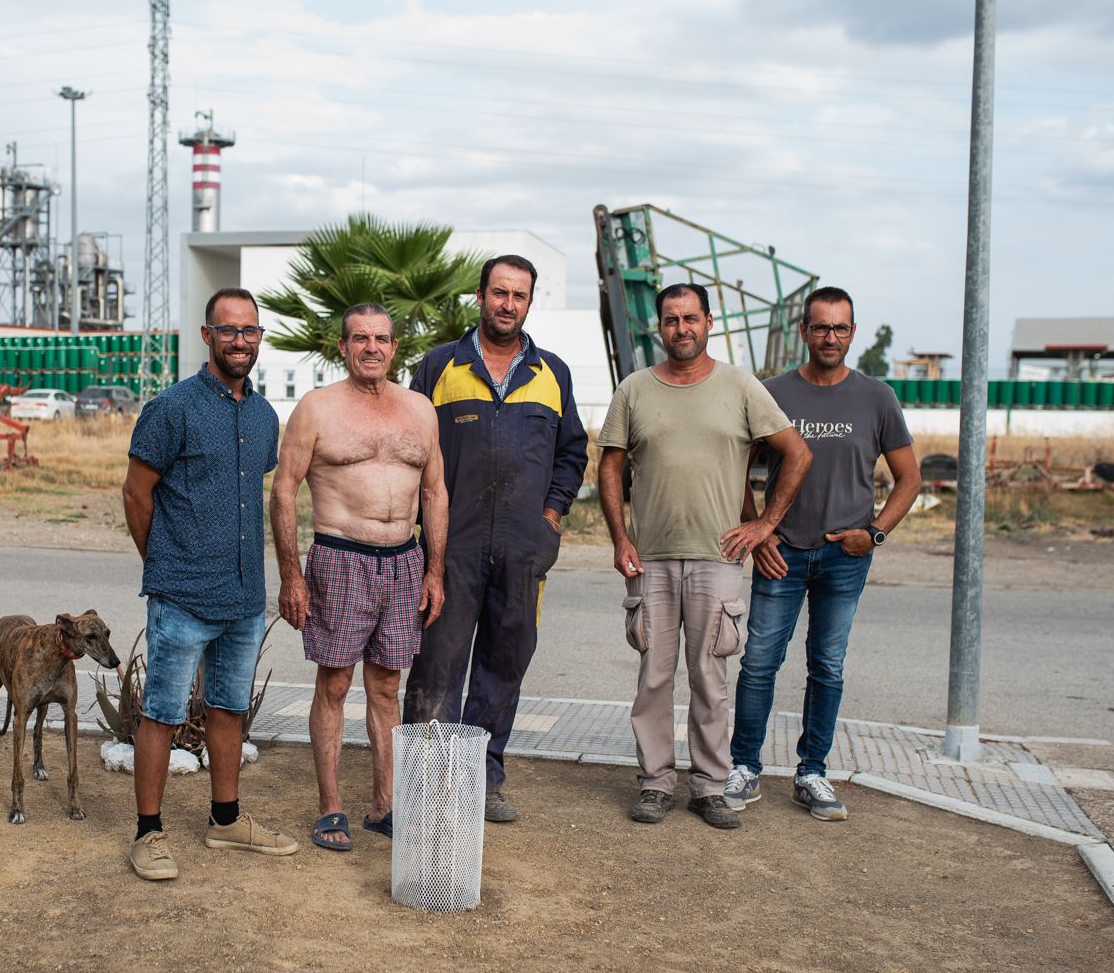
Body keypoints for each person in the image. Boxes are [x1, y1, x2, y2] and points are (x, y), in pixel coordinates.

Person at [598, 282, 812, 830]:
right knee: (653, 675)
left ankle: (711, 787)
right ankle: (654, 783)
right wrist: (620, 538)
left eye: (690, 318)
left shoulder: (742, 387)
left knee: (710, 676)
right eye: (671, 320)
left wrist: (764, 525)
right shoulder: (635, 390)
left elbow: (797, 453)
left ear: (709, 322)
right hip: (650, 558)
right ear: (659, 328)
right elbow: (610, 466)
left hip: (718, 557)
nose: (681, 329)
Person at [402, 254, 589, 823]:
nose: (509, 304)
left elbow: (572, 453)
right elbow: (412, 453)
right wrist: (422, 536)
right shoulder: (438, 368)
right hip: (450, 548)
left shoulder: (551, 374)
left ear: (529, 303)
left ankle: (483, 777)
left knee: (506, 661)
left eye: (520, 296)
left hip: (522, 548)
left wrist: (551, 517)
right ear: (480, 296)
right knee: (439, 661)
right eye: (499, 293)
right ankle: (429, 782)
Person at [725, 286, 921, 821]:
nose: (830, 337)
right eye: (820, 327)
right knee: (760, 661)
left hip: (846, 556)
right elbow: (739, 465)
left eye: (840, 328)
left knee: (827, 666)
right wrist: (759, 531)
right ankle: (744, 767)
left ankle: (812, 772)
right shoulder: (772, 392)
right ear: (805, 332)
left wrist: (874, 533)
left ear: (852, 333)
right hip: (781, 554)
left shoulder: (877, 397)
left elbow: (909, 479)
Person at [121, 287, 297, 881]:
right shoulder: (171, 408)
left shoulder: (266, 415)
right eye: (228, 330)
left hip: (245, 598)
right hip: (183, 596)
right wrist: (164, 564)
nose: (240, 341)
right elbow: (135, 492)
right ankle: (148, 834)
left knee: (227, 710)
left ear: (259, 337)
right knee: (162, 715)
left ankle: (226, 821)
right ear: (206, 336)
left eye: (249, 331)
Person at [271, 303, 448, 851]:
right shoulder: (317, 408)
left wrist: (434, 570)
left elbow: (435, 492)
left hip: (404, 560)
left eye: (381, 338)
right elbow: (284, 489)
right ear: (342, 346)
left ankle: (385, 805)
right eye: (360, 338)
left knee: (387, 687)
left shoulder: (420, 410)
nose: (371, 347)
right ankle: (331, 808)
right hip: (340, 557)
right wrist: (291, 575)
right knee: (336, 684)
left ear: (395, 348)